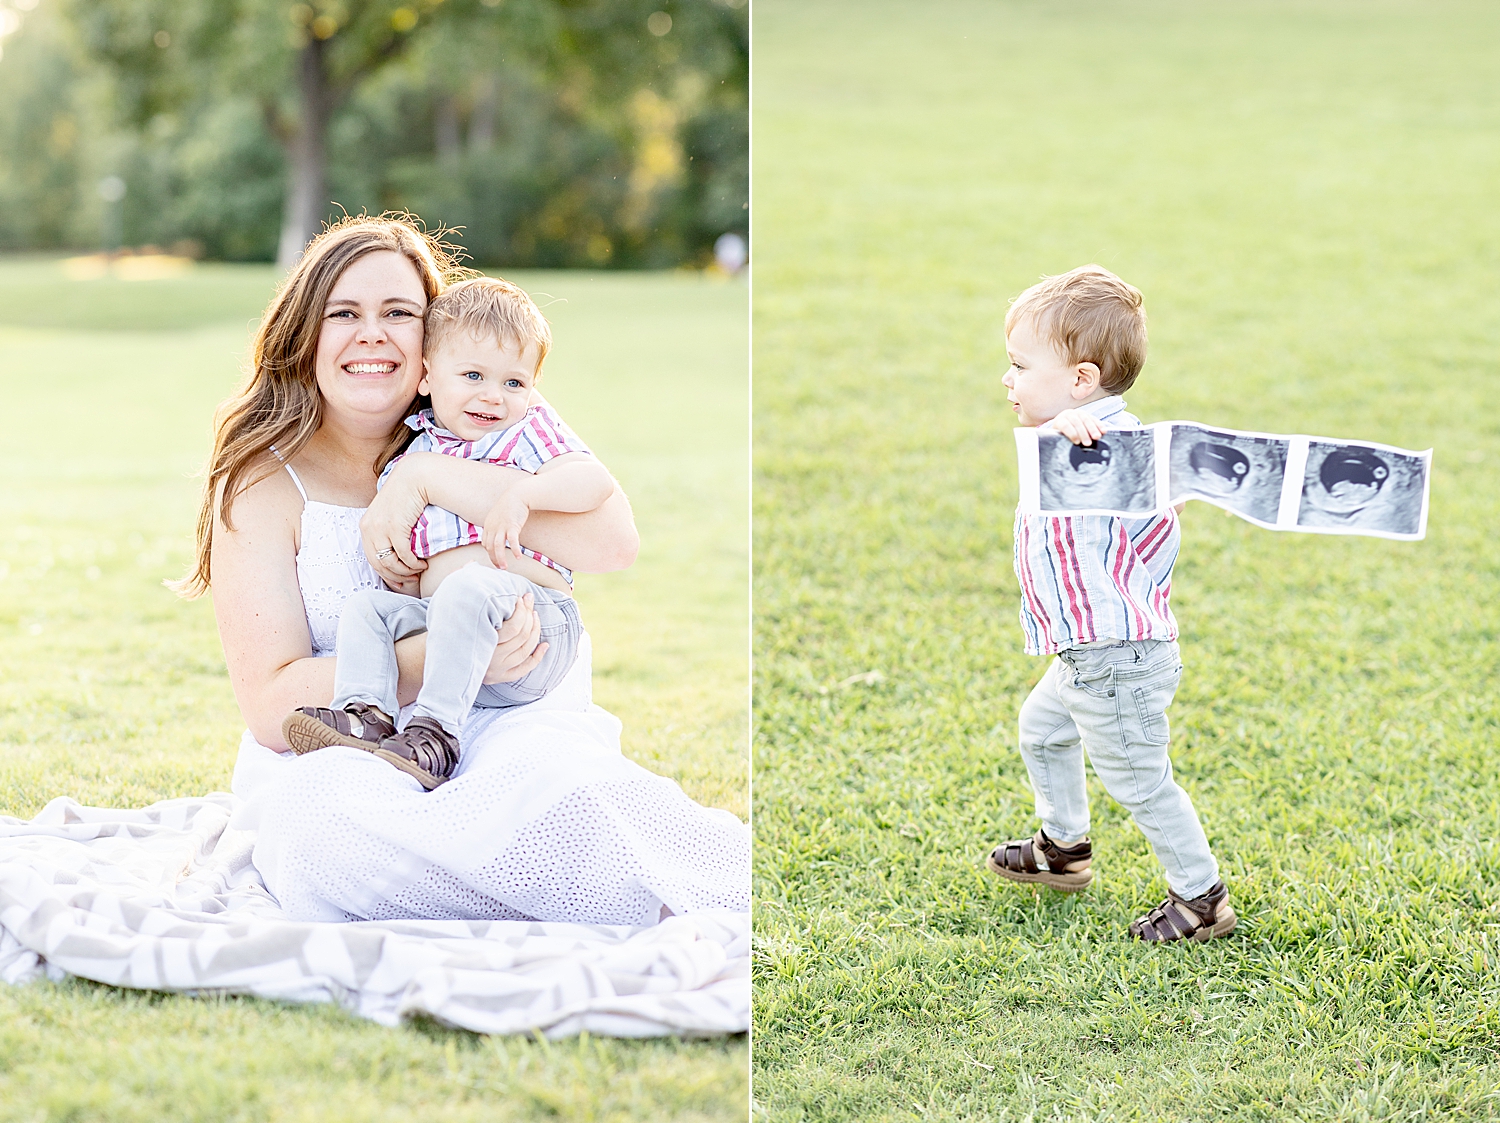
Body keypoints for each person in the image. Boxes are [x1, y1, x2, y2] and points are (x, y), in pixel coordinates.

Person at [186, 214, 749, 926]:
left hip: (501, 726)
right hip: (349, 751)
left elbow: (612, 543)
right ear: (307, 334)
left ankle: (544, 876)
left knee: (564, 789)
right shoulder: (263, 483)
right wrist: (456, 651)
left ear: (434, 338)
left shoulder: (489, 407)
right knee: (319, 834)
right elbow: (271, 708)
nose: (372, 334)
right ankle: (549, 889)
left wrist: (427, 474)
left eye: (399, 313)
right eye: (344, 314)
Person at [986, 264, 1236, 943]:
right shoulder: (1065, 441)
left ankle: (1200, 897)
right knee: (1042, 730)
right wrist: (1062, 432)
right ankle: (1064, 849)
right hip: (1086, 656)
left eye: (1018, 364)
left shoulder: (1106, 442)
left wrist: (1079, 434)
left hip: (1117, 658)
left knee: (1142, 782)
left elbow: (1113, 464)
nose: (1006, 379)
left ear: (1081, 380)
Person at [280, 276, 608, 789]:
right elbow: (410, 562)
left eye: (514, 383)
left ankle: (436, 736)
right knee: (367, 610)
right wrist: (401, 573)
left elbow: (595, 483)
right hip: (451, 628)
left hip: (533, 623)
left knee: (468, 587)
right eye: (473, 375)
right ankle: (364, 712)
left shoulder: (526, 431)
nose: (493, 396)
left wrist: (525, 494)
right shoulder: (412, 457)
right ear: (429, 377)